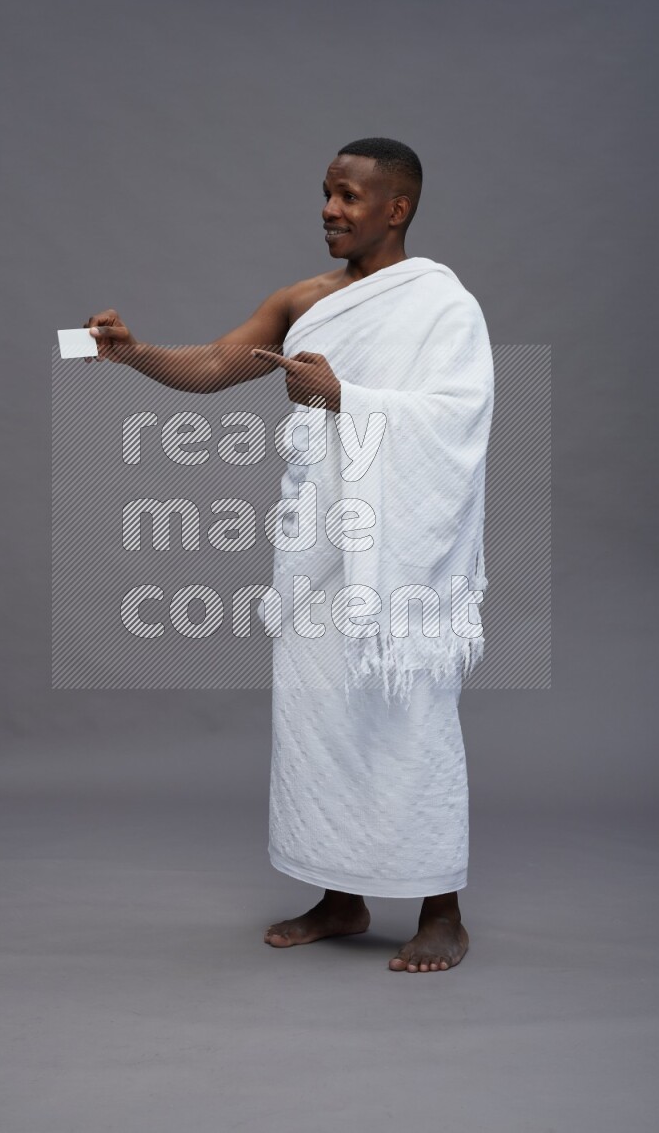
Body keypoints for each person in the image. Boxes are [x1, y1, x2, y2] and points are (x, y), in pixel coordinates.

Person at [84, 137, 493, 973]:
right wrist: (135, 354)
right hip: (320, 553)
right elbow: (214, 365)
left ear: (397, 207)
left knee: (406, 714)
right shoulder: (304, 298)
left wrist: (344, 396)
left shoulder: (444, 305)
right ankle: (340, 894)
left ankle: (441, 907)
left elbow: (459, 417)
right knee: (319, 722)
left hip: (401, 564)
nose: (329, 210)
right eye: (326, 193)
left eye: (347, 196)